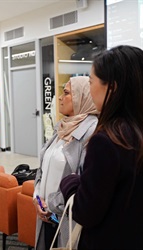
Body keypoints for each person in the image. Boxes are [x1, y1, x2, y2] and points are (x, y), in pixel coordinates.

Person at [60, 45, 143, 250]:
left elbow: (85, 211)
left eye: (91, 81)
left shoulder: (108, 140)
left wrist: (70, 182)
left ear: (112, 87)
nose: (89, 88)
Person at [33, 76, 99, 249]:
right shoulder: (62, 126)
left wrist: (53, 205)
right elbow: (42, 167)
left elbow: (83, 181)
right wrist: (37, 197)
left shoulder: (92, 132)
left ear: (82, 97)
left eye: (67, 93)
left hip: (67, 218)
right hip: (46, 214)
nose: (60, 97)